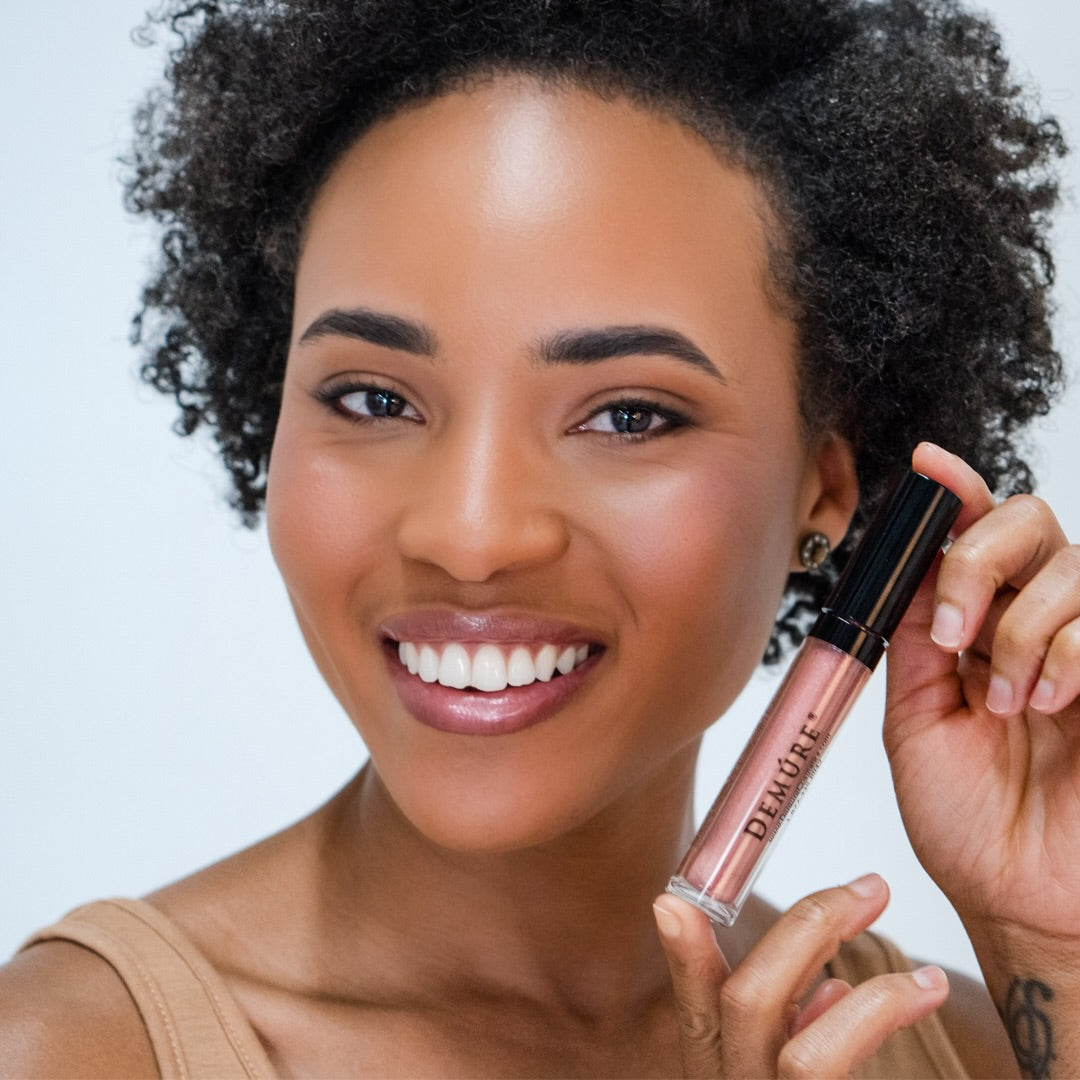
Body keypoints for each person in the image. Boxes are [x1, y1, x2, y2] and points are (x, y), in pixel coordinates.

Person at [2, 0, 1077, 1075]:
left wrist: (1054, 956)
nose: (472, 536)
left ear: (827, 492)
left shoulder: (970, 1047)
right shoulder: (67, 1052)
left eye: (628, 416)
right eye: (375, 399)